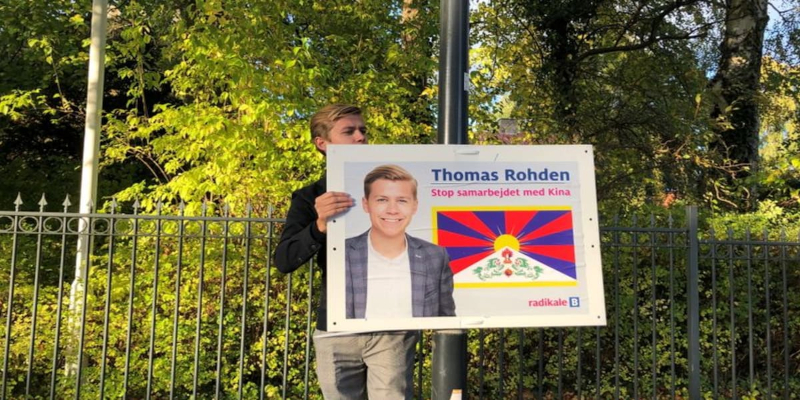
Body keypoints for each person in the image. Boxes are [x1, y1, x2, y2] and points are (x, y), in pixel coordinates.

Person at [274, 104, 417, 400]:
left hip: (391, 324)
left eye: (363, 130)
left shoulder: (395, 186)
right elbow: (284, 260)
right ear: (322, 144)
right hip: (337, 326)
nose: (360, 137)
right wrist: (319, 224)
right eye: (349, 131)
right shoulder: (310, 196)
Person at [346, 164, 455, 319]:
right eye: (382, 200)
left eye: (402, 201)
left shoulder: (435, 255)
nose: (392, 209)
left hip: (410, 342)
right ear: (366, 204)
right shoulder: (342, 253)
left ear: (414, 206)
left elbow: (447, 319)